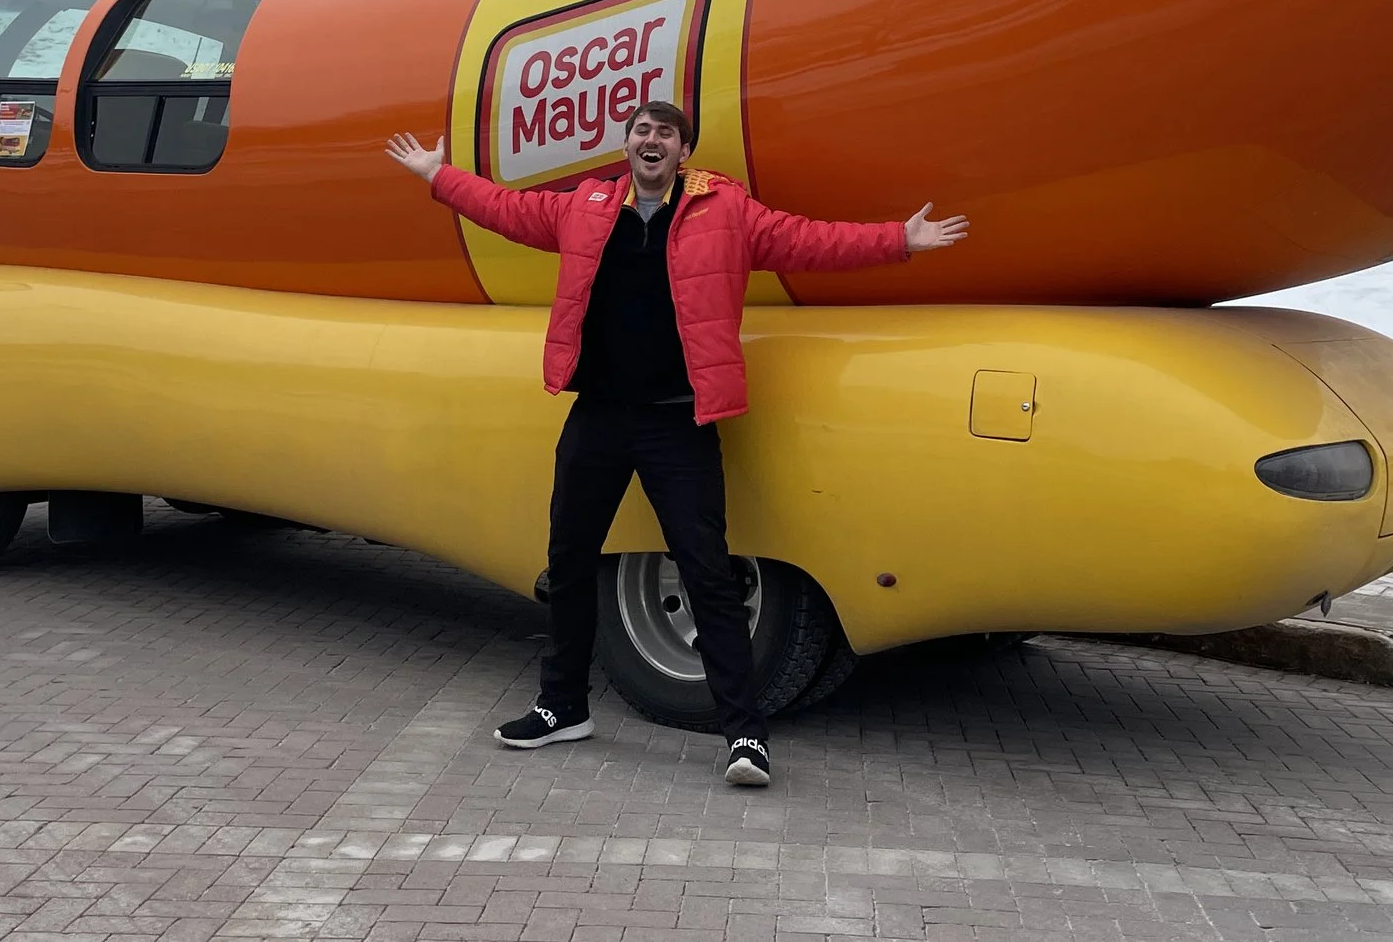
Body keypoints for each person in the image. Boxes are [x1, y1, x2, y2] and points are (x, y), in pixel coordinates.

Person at [385, 100, 967, 788]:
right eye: (641, 130)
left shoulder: (726, 210)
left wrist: (901, 238)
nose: (650, 139)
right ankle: (562, 704)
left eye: (665, 132)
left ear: (683, 151)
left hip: (679, 420)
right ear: (627, 145)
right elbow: (507, 210)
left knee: (707, 574)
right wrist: (437, 173)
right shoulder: (587, 205)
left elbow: (810, 240)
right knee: (568, 562)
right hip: (599, 413)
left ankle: (745, 732)